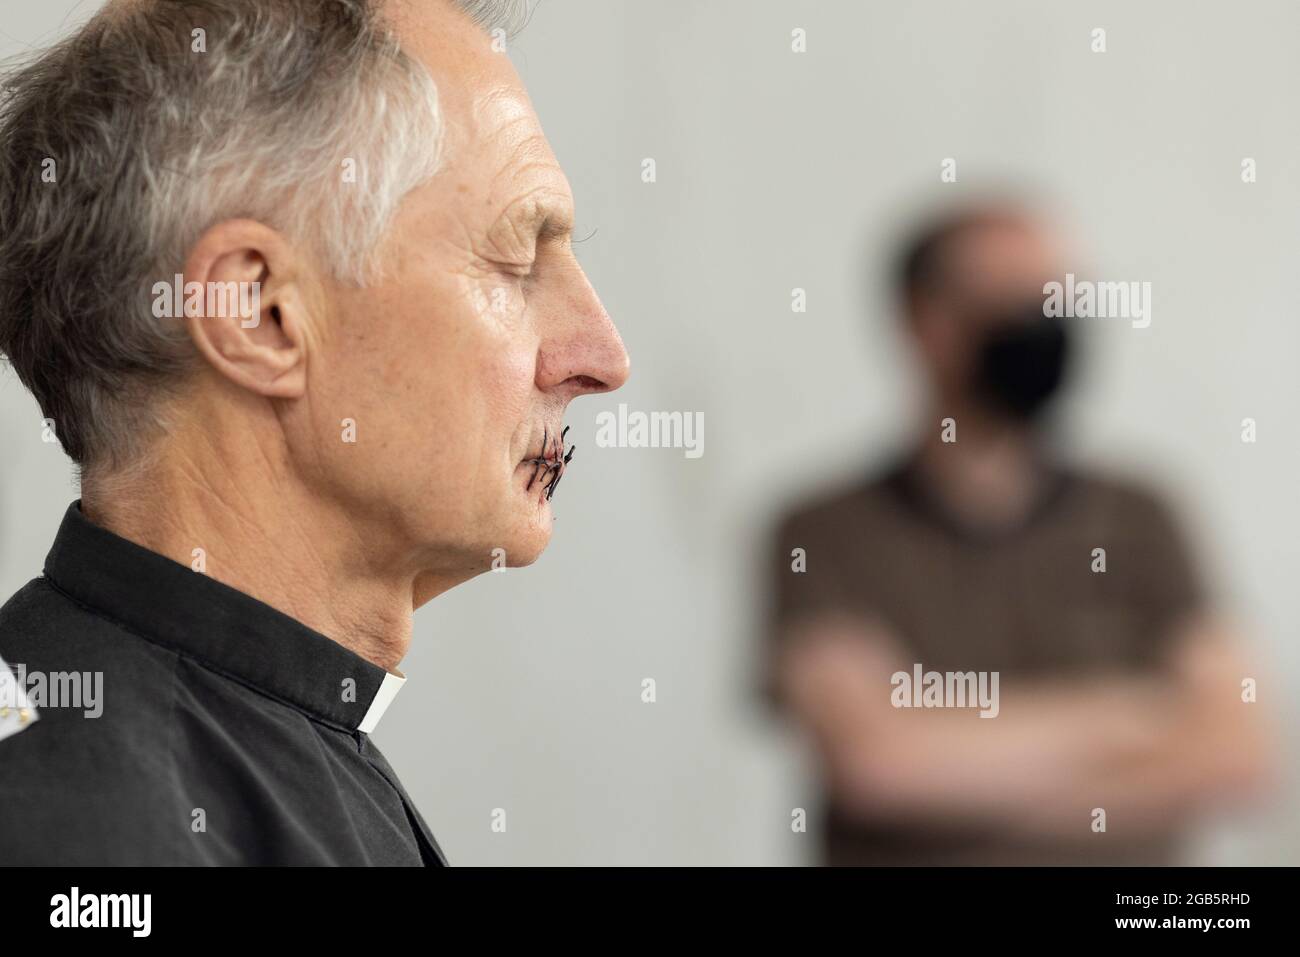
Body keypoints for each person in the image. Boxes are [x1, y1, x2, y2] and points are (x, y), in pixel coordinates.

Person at [0, 0, 629, 865]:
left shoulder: (249, 730)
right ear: (259, 314)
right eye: (516, 261)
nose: (600, 357)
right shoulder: (101, 832)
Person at [764, 203, 1272, 865]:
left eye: (1059, 298)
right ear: (925, 322)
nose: (1046, 324)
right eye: (1013, 300)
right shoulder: (820, 531)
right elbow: (878, 764)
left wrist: (965, 783)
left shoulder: (1142, 514)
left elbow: (1237, 752)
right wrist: (1130, 714)